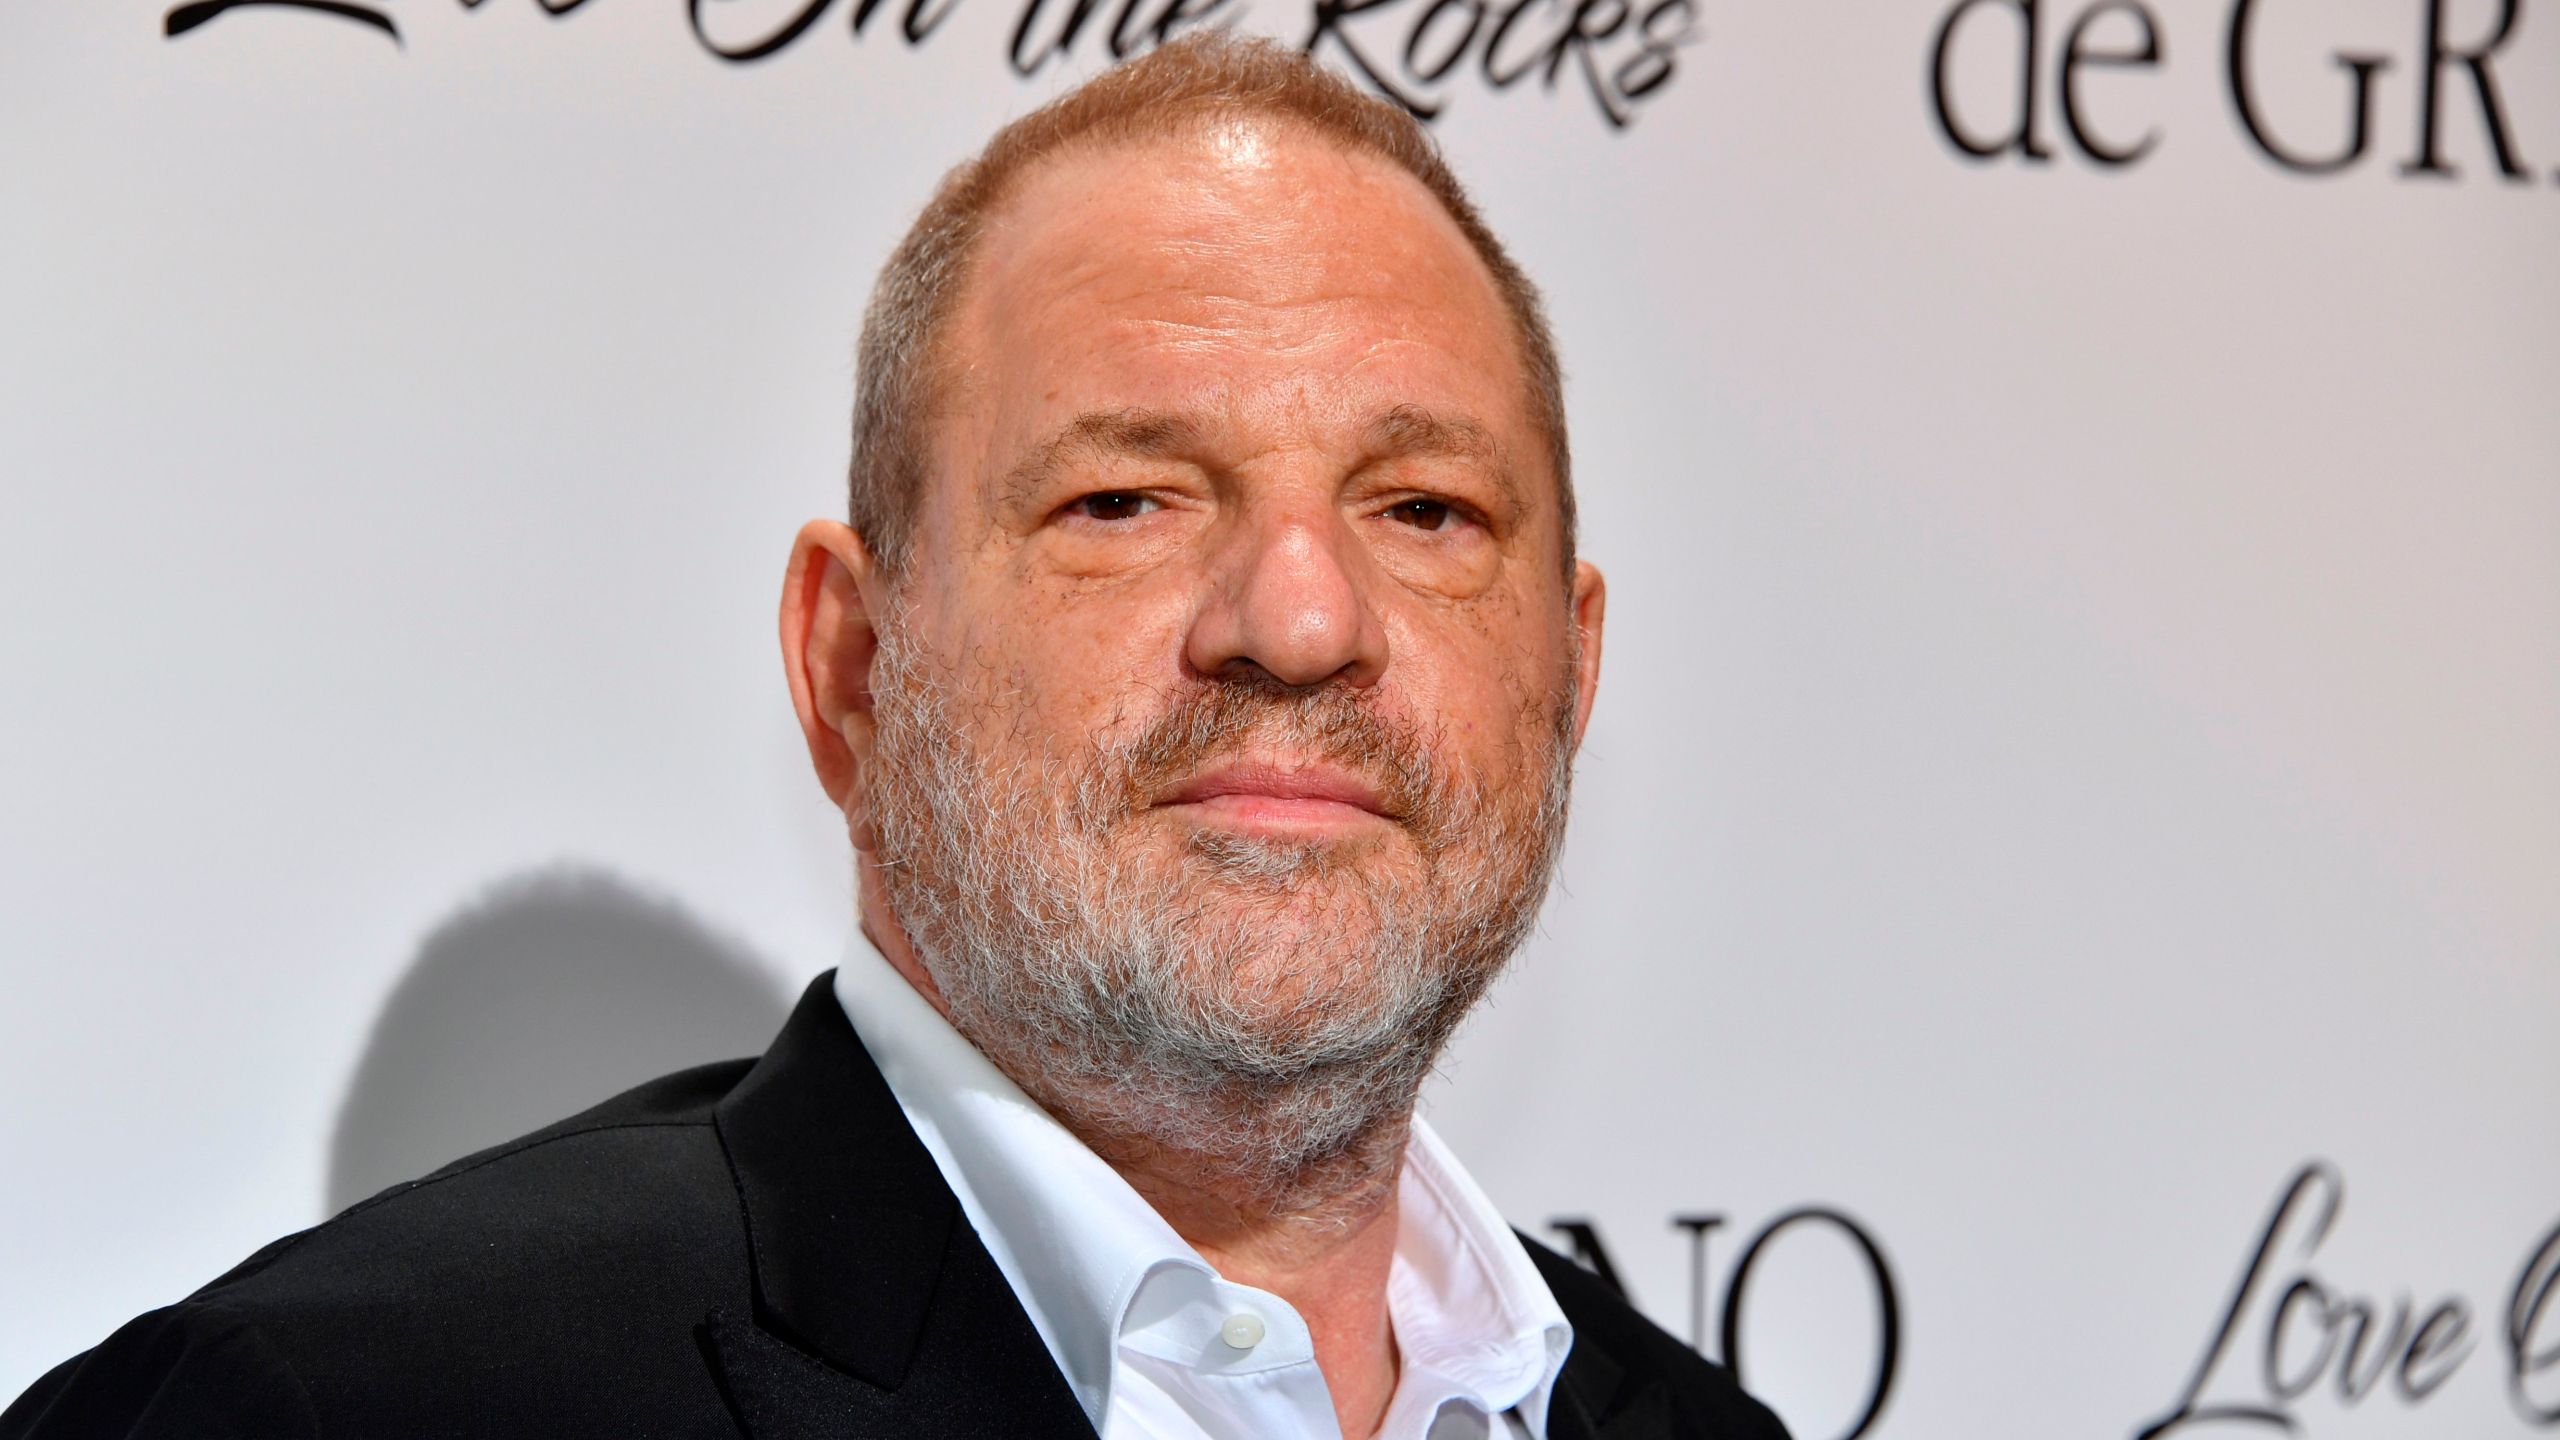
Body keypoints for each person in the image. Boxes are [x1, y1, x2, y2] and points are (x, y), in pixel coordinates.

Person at [3, 34, 1789, 1440]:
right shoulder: (330, 1413)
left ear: (1569, 671)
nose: (1302, 619)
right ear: (855, 667)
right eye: (1124, 498)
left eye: (1423, 510)